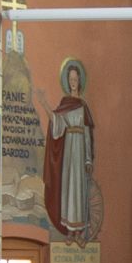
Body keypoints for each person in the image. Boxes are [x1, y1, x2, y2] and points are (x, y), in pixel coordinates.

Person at [43, 62, 97, 241]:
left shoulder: (83, 105)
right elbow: (57, 122)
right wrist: (44, 104)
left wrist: (88, 159)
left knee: (78, 188)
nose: (73, 82)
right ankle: (69, 231)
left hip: (79, 151)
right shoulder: (65, 103)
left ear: (80, 80)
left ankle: (79, 230)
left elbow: (87, 134)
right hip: (68, 151)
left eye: (75, 79)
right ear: (67, 81)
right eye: (70, 79)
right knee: (68, 186)